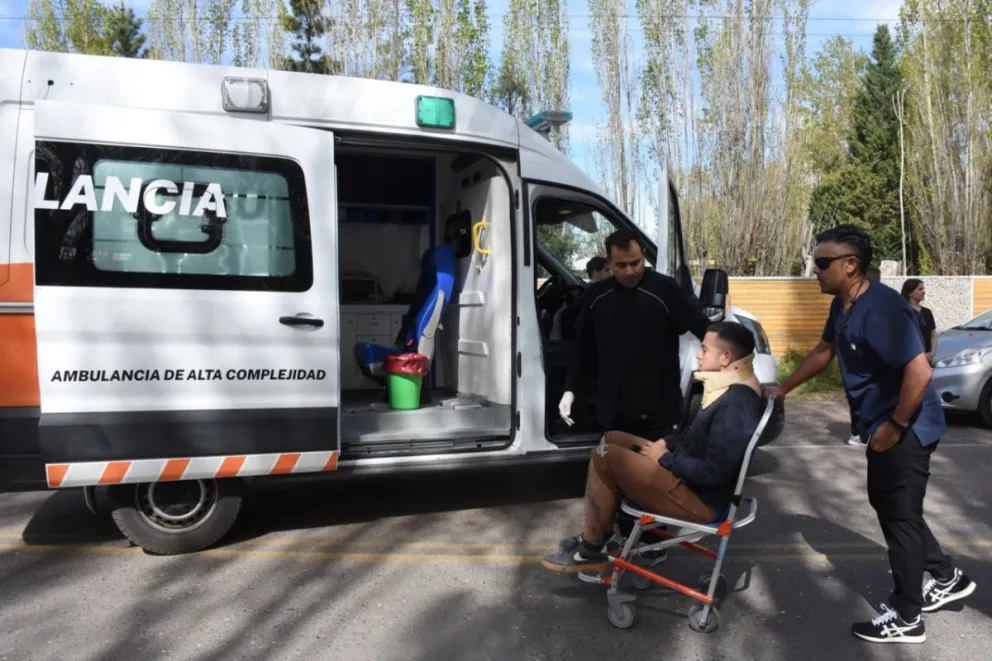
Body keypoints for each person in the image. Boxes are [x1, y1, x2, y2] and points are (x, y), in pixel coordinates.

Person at [766, 224, 976, 645]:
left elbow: (919, 370)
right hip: (883, 426)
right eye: (815, 262)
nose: (815, 270)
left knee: (898, 517)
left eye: (823, 263)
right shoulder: (844, 305)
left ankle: (907, 614)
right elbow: (825, 351)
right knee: (892, 506)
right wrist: (781, 389)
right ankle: (946, 576)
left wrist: (895, 426)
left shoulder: (881, 308)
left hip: (906, 428)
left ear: (851, 265)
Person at [543, 321, 764, 573]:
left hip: (700, 502)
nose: (698, 354)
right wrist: (666, 443)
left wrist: (665, 458)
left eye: (704, 349)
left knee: (604, 456)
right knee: (612, 438)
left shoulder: (736, 404)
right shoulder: (727, 388)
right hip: (686, 479)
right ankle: (604, 537)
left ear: (726, 358)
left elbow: (714, 473)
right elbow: (694, 436)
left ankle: (592, 550)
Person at [558, 228, 712, 441]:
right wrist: (570, 389)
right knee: (614, 470)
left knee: (651, 473)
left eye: (635, 263)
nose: (630, 271)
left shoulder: (664, 289)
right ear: (609, 263)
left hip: (657, 412)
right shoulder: (597, 296)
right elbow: (582, 347)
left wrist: (737, 370)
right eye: (621, 265)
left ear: (643, 258)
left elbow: (704, 328)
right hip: (613, 410)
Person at [902, 279, 938, 366]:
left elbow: (932, 333)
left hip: (927, 359)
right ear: (910, 293)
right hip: (911, 361)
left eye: (923, 289)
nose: (923, 292)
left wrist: (932, 353)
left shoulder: (927, 312)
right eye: (920, 289)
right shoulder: (903, 312)